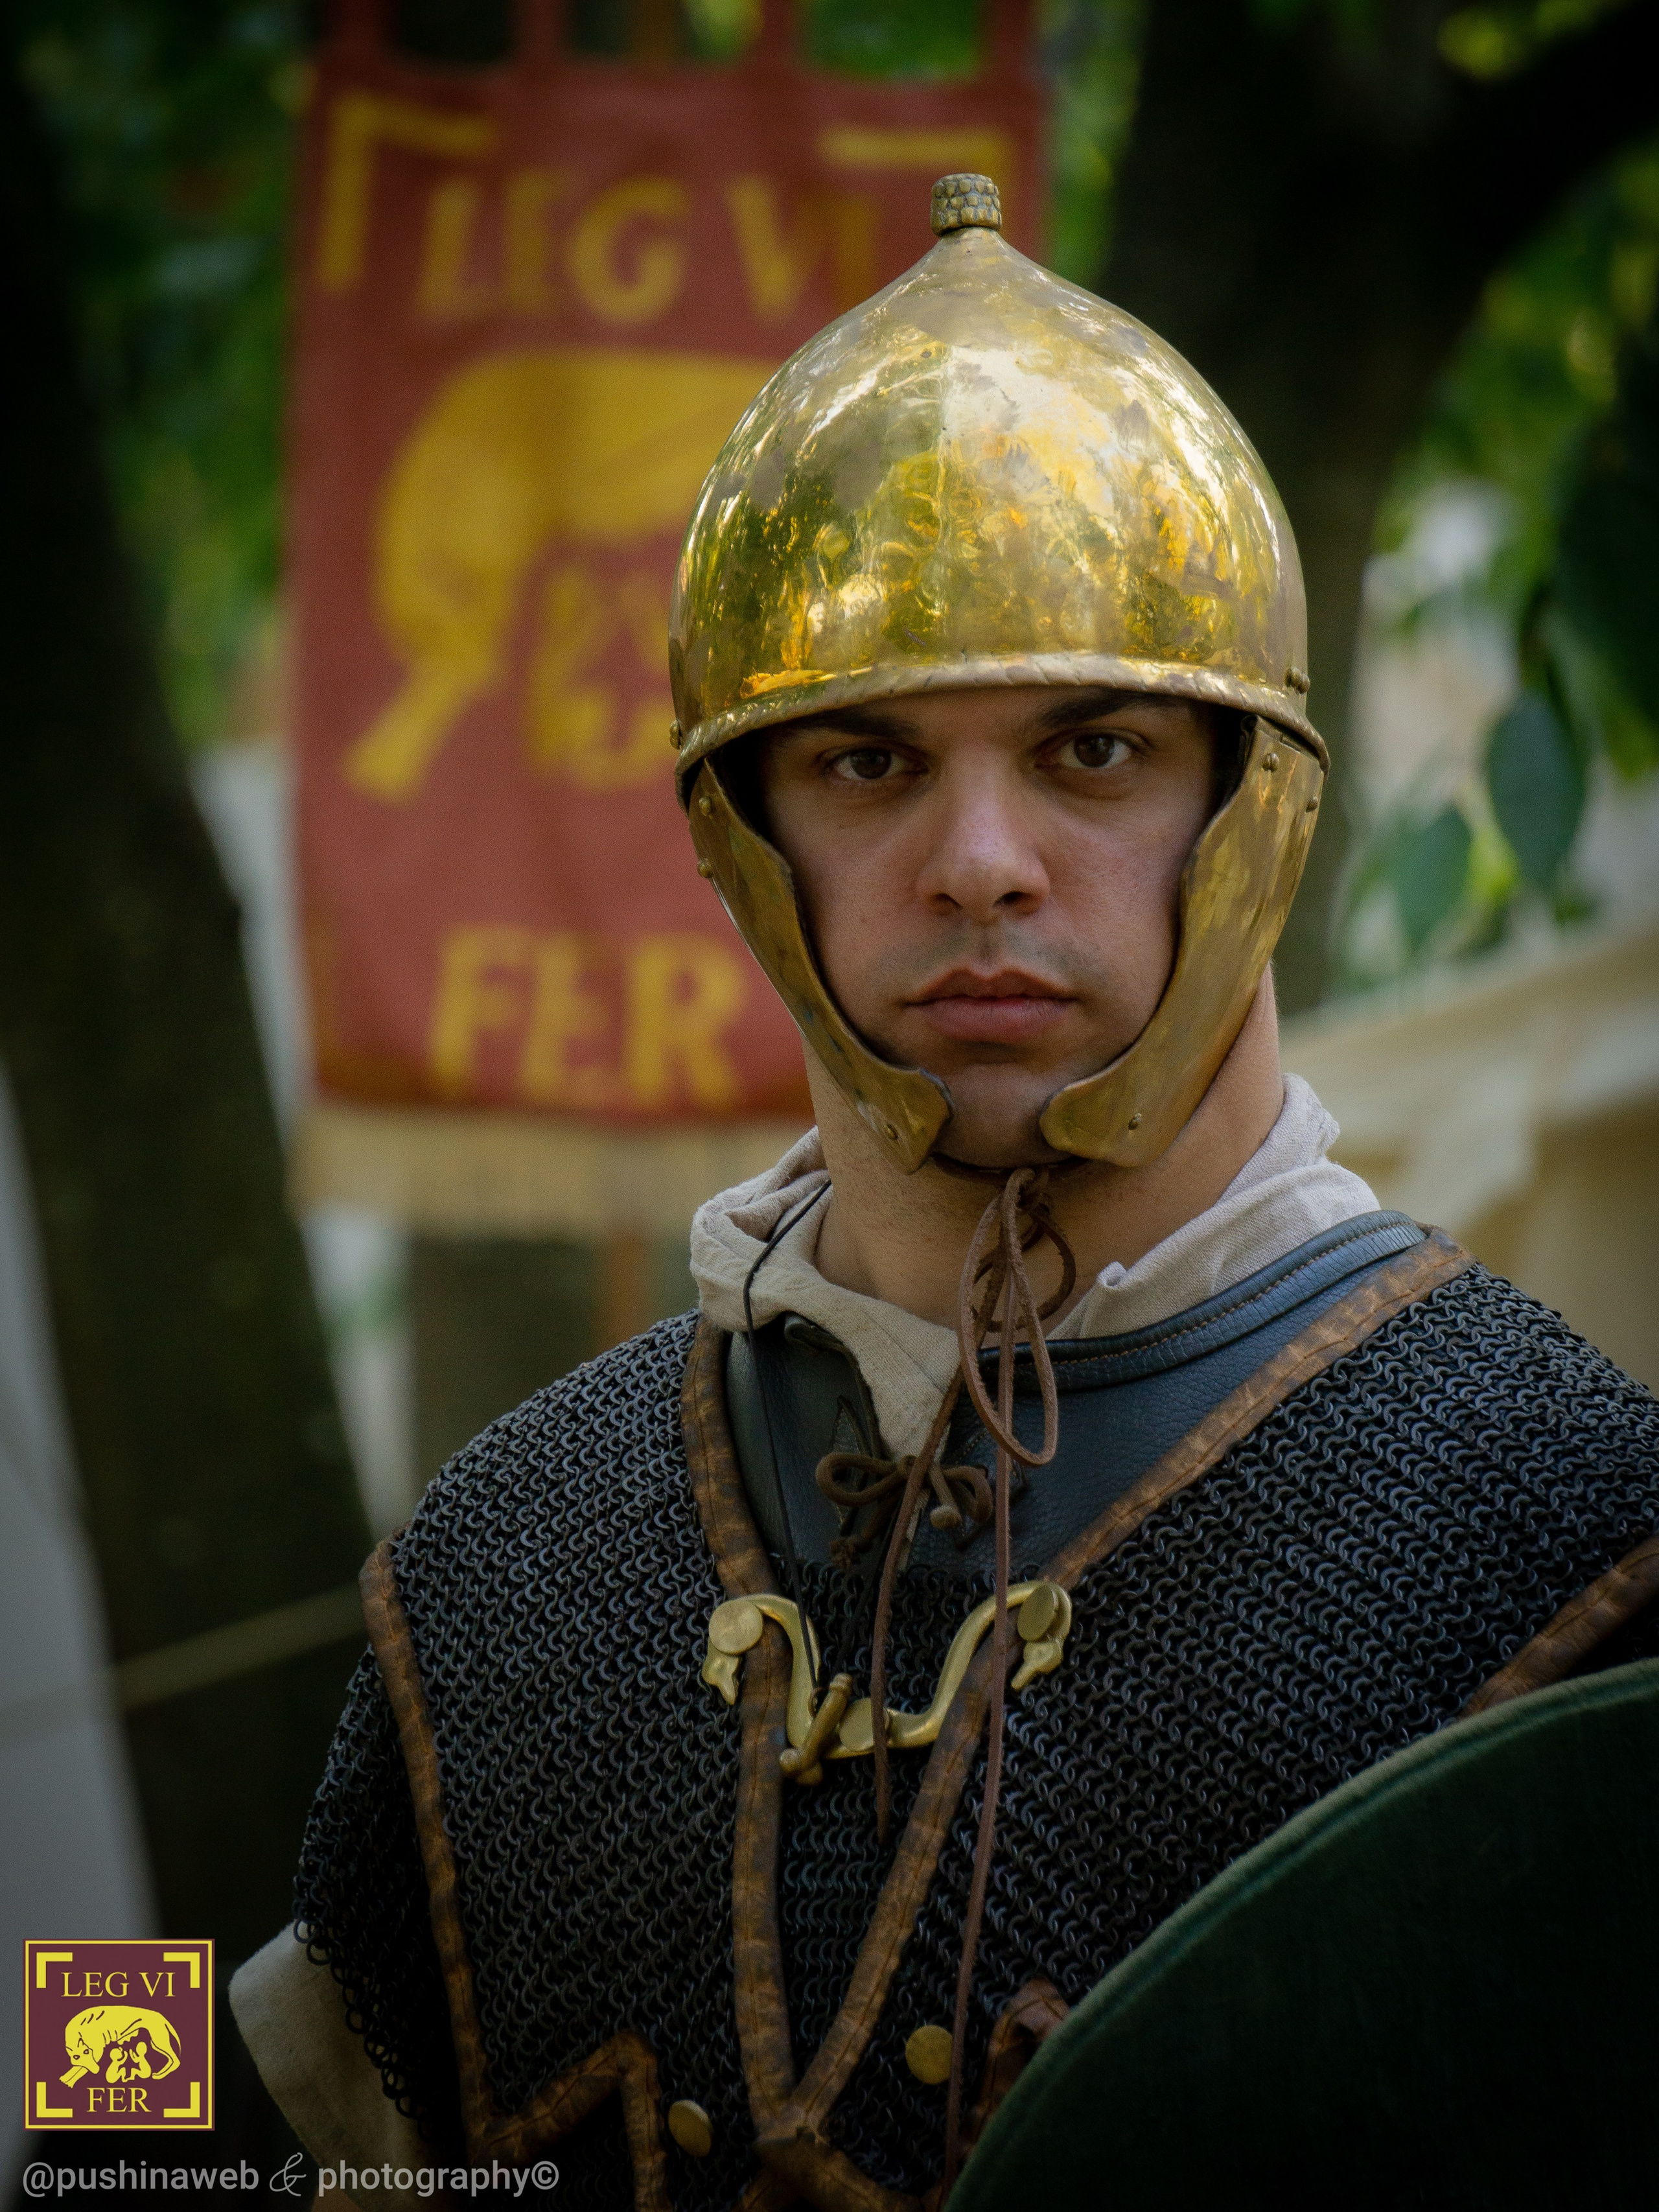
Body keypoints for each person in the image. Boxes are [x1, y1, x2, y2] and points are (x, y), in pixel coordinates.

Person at [231, 175, 1659, 2212]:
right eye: (873, 764)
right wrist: (82, 2108)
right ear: (749, 836)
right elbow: (130, 2139)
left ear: (1247, 809)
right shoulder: (494, 1571)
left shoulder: (1578, 1533)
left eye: (1092, 751)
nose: (981, 860)